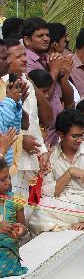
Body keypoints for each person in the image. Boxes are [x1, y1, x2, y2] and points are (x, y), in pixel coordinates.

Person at [28, 110, 84, 234]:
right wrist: (69, 173)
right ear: (61, 135)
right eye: (75, 136)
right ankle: (66, 225)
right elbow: (47, 193)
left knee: (40, 215)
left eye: (82, 135)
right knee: (36, 213)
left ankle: (65, 225)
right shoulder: (51, 157)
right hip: (63, 206)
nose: (80, 140)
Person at [3, 37, 48, 202]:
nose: (24, 59)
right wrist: (22, 140)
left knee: (22, 206)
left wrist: (42, 150)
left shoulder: (27, 83)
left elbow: (34, 122)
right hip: (10, 157)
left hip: (28, 156)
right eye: (18, 56)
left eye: (24, 55)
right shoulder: (4, 86)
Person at [23, 17, 74, 146]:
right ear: (27, 40)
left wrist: (64, 75)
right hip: (39, 134)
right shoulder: (25, 62)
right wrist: (55, 71)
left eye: (47, 35)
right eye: (40, 36)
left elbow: (68, 100)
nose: (46, 39)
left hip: (56, 133)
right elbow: (42, 98)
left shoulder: (50, 59)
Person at [0, 157, 27, 277]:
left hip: (10, 265)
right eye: (3, 179)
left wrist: (21, 231)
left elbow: (24, 229)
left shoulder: (16, 200)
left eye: (9, 177)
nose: (8, 182)